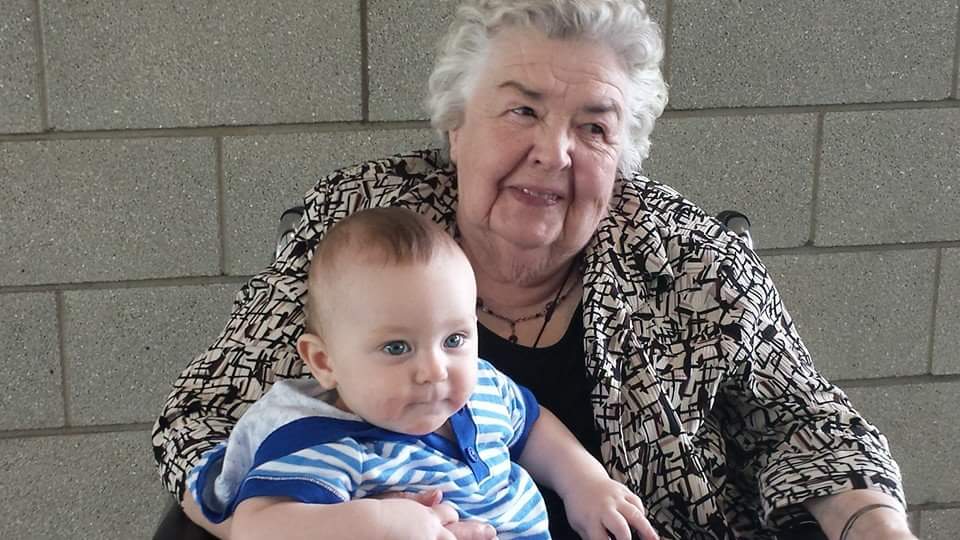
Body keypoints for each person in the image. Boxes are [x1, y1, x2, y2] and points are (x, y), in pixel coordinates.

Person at [153, 1, 917, 539]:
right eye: (522, 111)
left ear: (623, 155)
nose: (554, 152)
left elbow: (806, 422)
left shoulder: (687, 257)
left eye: (594, 126)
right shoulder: (363, 228)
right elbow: (203, 422)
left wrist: (874, 525)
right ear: (456, 128)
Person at [187, 207, 656, 540]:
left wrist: (584, 483)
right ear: (325, 363)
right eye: (396, 347)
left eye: (454, 339)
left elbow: (532, 427)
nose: (434, 370)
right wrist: (380, 525)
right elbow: (256, 526)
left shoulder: (484, 390)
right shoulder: (324, 443)